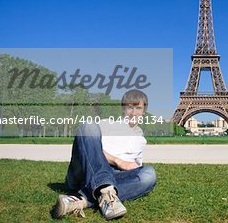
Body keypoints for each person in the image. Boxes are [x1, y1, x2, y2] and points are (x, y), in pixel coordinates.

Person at [53, 90, 157, 220]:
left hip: (114, 175)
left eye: (138, 108)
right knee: (88, 127)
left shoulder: (141, 138)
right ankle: (105, 192)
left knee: (149, 174)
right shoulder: (107, 124)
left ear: (144, 111)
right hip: (87, 169)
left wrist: (132, 167)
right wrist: (118, 161)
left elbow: (135, 168)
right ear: (123, 108)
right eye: (129, 107)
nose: (134, 112)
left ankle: (84, 200)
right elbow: (88, 147)